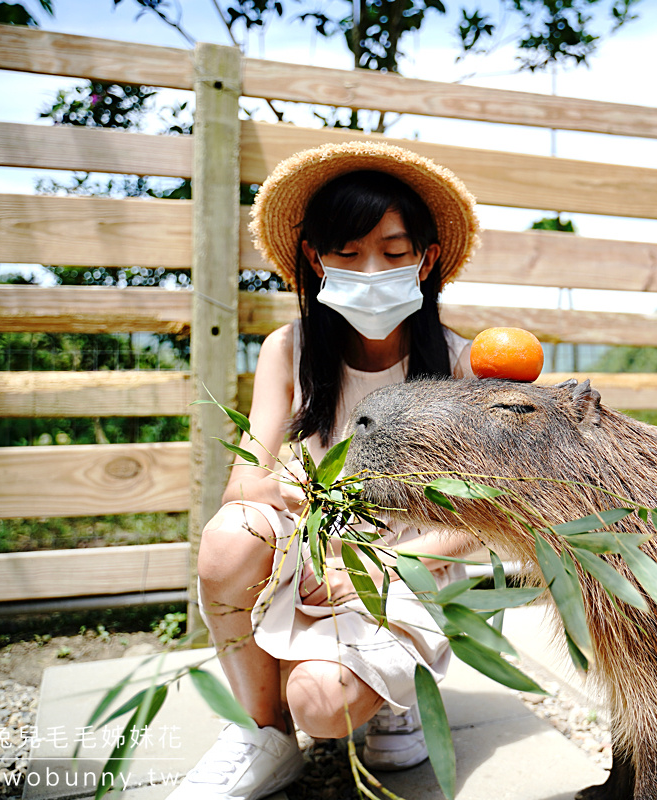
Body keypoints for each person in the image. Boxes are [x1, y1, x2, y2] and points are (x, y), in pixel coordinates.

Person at [170, 141, 482, 800]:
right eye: (348, 252)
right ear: (316, 258)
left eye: (394, 254)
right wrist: (300, 506)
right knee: (231, 540)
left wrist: (380, 564)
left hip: (406, 564)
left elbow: (481, 514)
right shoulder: (291, 348)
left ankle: (391, 694)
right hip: (310, 553)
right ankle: (263, 732)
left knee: (321, 705)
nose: (372, 270)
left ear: (425, 260)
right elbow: (245, 483)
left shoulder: (456, 362)